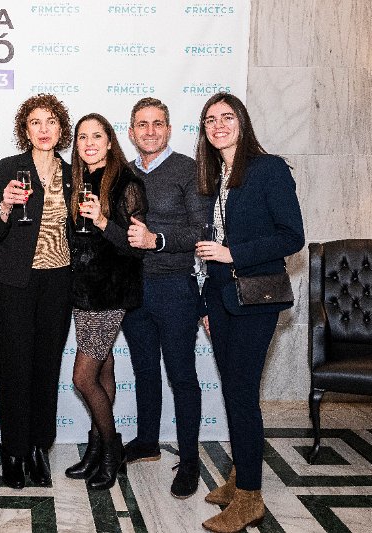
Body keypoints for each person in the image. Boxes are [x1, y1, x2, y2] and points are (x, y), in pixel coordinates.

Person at [195, 92, 304, 533]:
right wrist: (206, 305)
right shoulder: (216, 175)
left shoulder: (268, 169)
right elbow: (208, 251)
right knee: (234, 393)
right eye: (210, 120)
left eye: (227, 117)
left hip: (256, 300)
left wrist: (233, 253)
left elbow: (292, 236)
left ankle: (250, 499)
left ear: (243, 122)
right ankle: (241, 475)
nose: (218, 125)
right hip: (222, 300)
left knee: (241, 395)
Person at [124, 98, 213, 498]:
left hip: (175, 288)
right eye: (142, 124)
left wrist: (156, 240)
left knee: (182, 376)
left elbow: (200, 229)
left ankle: (190, 459)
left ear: (169, 129)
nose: (150, 131)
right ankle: (147, 442)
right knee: (144, 370)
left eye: (157, 123)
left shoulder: (187, 170)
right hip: (134, 290)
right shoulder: (124, 174)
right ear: (131, 132)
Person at [0, 94, 73, 489]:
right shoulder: (10, 167)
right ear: (25, 129)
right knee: (13, 365)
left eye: (51, 121)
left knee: (46, 365)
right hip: (15, 282)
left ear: (61, 129)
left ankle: (40, 447)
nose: (43, 129)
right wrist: (5, 206)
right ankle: (13, 450)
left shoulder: (73, 173)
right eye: (35, 122)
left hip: (58, 282)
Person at [64, 113, 147, 490]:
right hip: (83, 291)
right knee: (103, 371)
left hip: (110, 292)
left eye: (96, 136)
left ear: (110, 142)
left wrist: (101, 221)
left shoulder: (128, 183)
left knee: (82, 377)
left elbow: (135, 247)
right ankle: (96, 449)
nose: (89, 143)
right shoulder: (79, 181)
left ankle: (112, 450)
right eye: (82, 137)